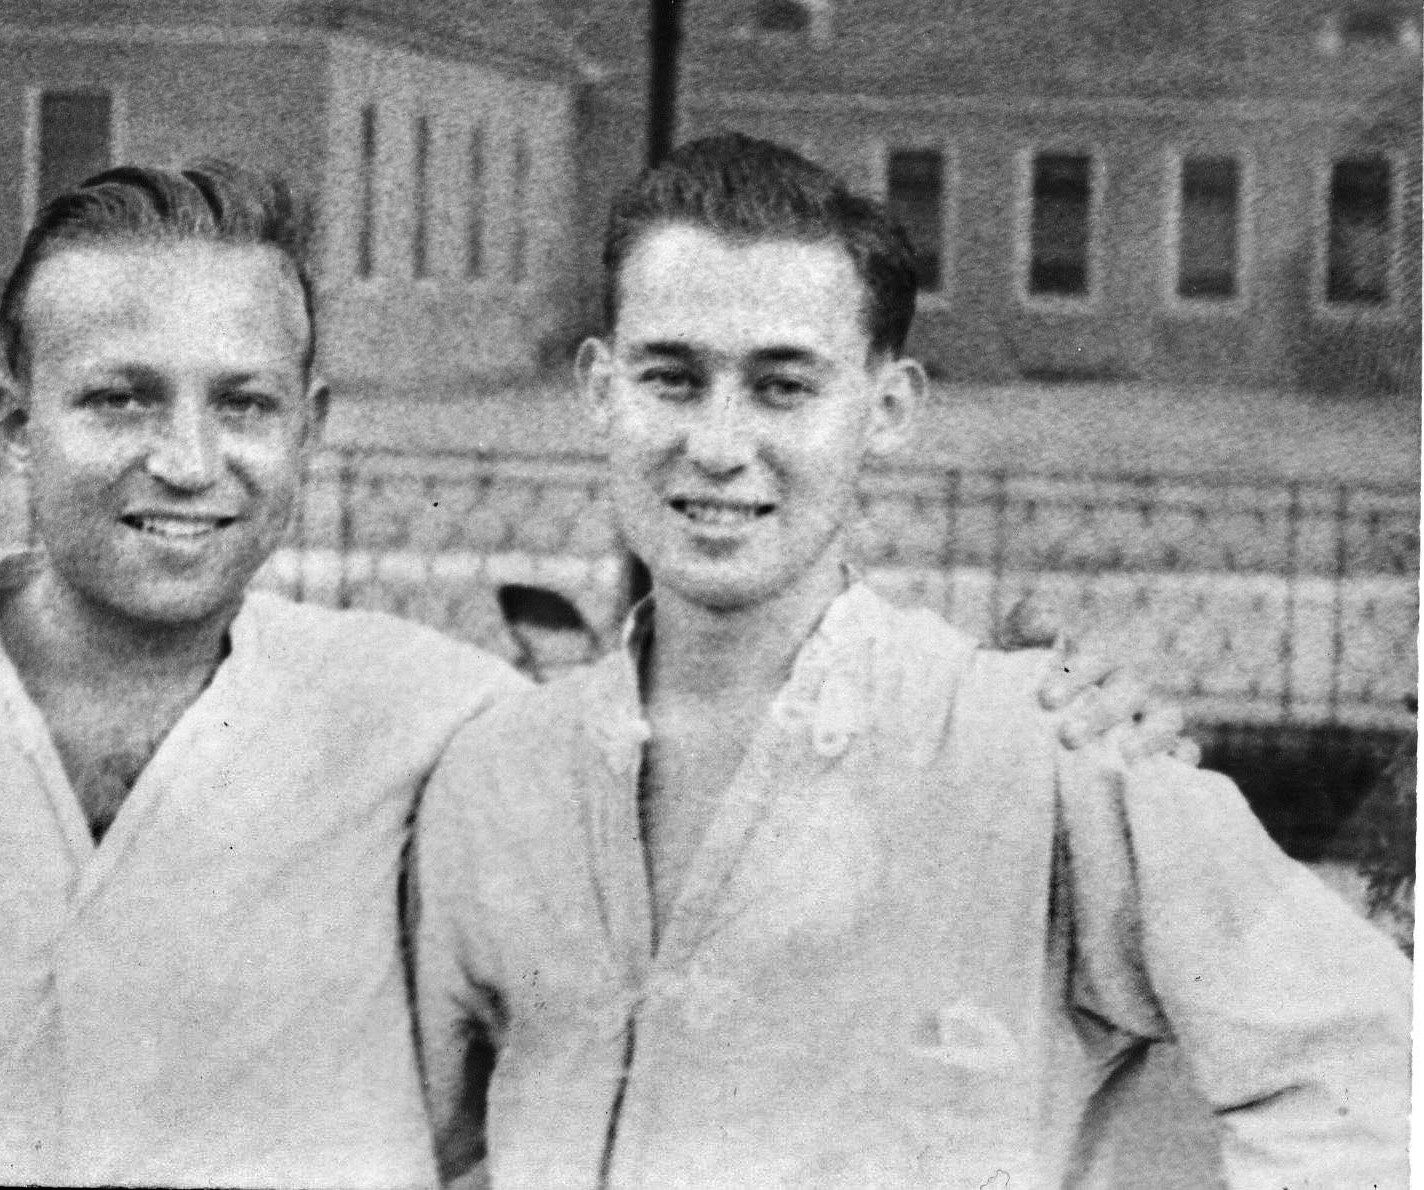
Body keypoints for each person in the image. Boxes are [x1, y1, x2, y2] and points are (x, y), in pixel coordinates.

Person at [0, 156, 1174, 1186]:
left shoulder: (438, 730)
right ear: (9, 414)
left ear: (312, 421)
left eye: (243, 402)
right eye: (117, 397)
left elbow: (736, 785)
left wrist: (1055, 707)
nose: (187, 461)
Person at [411, 134, 1411, 1190]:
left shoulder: (1050, 752)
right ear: (600, 387)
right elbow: (409, 1142)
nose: (716, 443)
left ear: (886, 409)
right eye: (673, 377)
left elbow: (1362, 1070)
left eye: (783, 386)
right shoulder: (498, 780)